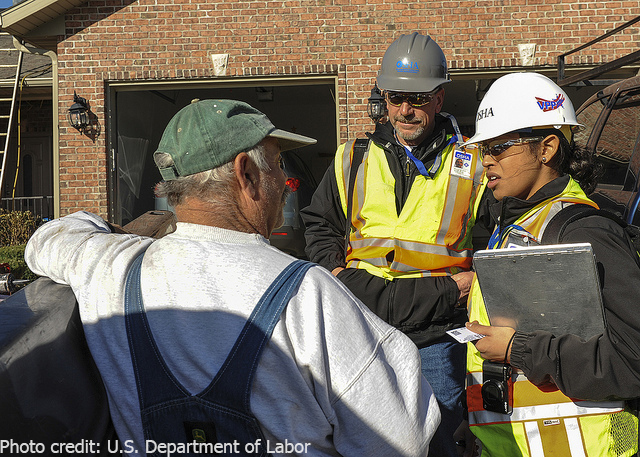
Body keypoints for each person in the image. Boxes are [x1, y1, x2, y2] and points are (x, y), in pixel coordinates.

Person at [24, 99, 441, 456]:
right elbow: (399, 437)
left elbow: (46, 239)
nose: (282, 182)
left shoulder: (109, 267)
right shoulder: (308, 294)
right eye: (277, 164)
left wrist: (124, 236)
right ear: (247, 173)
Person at [301, 33, 487, 457]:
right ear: (384, 98)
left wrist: (475, 281)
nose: (406, 110)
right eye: (396, 97)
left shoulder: (473, 163)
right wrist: (332, 271)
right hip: (362, 325)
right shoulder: (353, 157)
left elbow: (497, 236)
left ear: (439, 99)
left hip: (436, 331)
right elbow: (320, 221)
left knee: (439, 434)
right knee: (363, 434)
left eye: (418, 99)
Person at [457, 72, 640, 457]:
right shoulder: (515, 226)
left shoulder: (583, 230)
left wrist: (518, 351)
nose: (486, 161)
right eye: (482, 149)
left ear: (547, 148)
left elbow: (633, 358)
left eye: (499, 148)